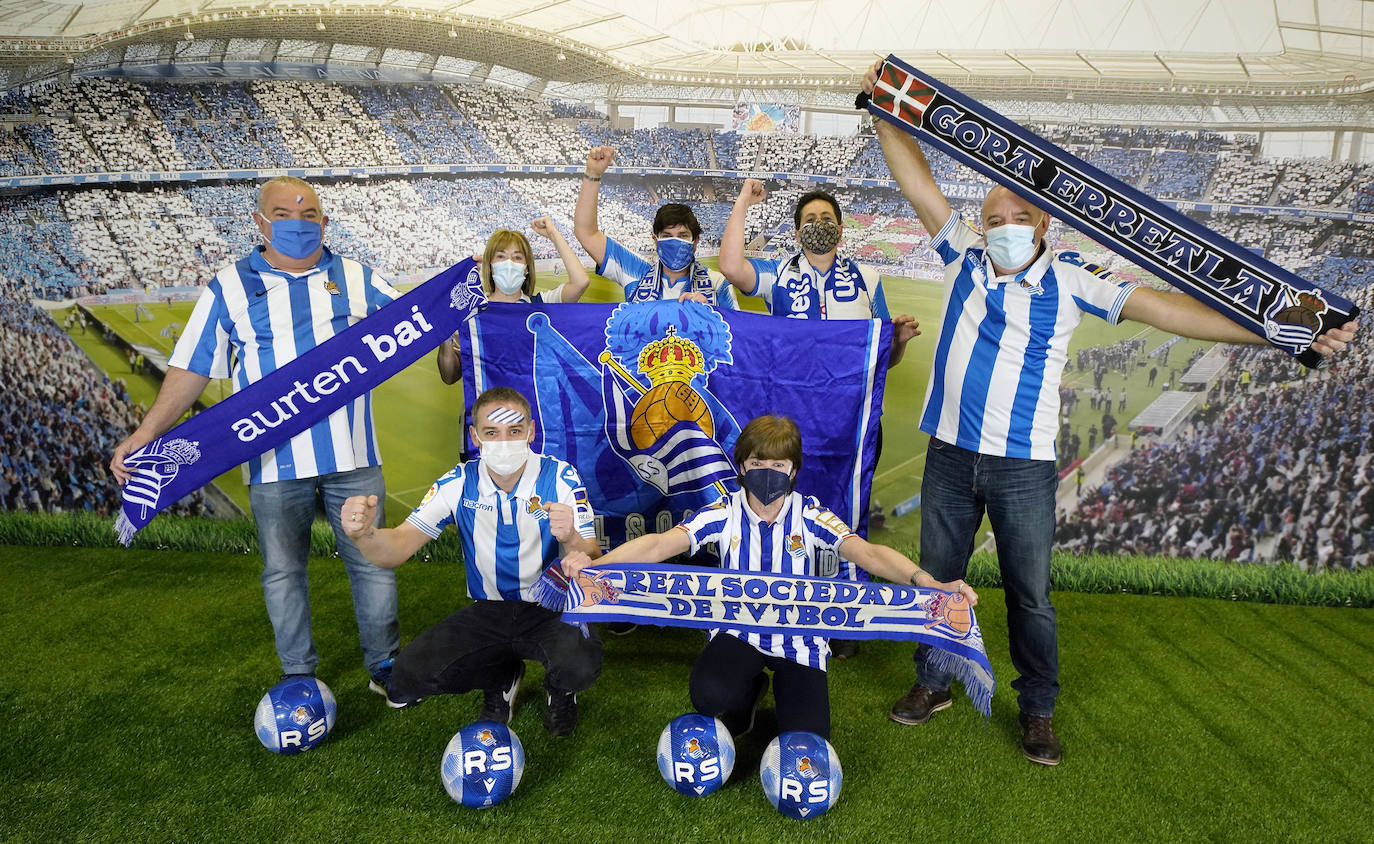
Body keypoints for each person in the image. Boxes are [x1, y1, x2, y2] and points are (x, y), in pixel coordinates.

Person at [864, 61, 1358, 766]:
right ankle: (934, 682)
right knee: (938, 580)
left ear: (1044, 223)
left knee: (1031, 598)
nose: (1003, 228)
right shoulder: (964, 259)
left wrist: (1277, 330)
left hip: (1023, 466)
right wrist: (884, 107)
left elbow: (1173, 313)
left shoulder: (1074, 281)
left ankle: (1037, 710)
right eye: (993, 219)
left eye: (1018, 219)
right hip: (948, 455)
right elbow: (915, 180)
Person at [110, 176, 403, 693]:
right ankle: (298, 676)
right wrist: (146, 431)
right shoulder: (229, 286)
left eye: (308, 213)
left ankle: (387, 667)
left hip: (354, 454)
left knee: (372, 566)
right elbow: (192, 368)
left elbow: (416, 320)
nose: (297, 222)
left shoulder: (357, 277)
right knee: (283, 573)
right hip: (271, 460)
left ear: (325, 221)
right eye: (283, 213)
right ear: (259, 222)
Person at [561, 414, 977, 740]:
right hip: (739, 630)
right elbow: (657, 545)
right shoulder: (724, 510)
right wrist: (596, 566)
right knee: (708, 695)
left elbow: (867, 553)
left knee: (809, 733)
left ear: (793, 470)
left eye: (778, 464)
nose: (767, 471)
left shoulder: (810, 513)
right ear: (742, 464)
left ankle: (778, 698)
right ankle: (748, 693)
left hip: (799, 639)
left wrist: (929, 583)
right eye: (757, 463)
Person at [340, 387, 603, 736]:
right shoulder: (458, 482)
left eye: (515, 431)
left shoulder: (561, 477)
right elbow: (398, 548)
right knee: (408, 674)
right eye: (492, 433)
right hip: (488, 610)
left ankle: (560, 691)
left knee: (581, 665)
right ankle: (501, 676)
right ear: (475, 435)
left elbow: (592, 557)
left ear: (532, 431)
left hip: (550, 608)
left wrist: (570, 537)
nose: (504, 442)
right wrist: (364, 536)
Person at [718, 179, 919, 365]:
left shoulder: (867, 278)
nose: (819, 225)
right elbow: (731, 267)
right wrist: (743, 201)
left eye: (826, 218)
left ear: (840, 230)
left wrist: (899, 342)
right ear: (797, 234)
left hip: (848, 400)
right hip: (793, 398)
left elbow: (884, 358)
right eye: (810, 220)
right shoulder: (777, 274)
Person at [574, 145, 738, 308]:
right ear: (655, 240)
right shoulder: (637, 270)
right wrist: (593, 175)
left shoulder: (717, 284)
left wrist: (711, 313)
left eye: (682, 236)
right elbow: (587, 234)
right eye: (667, 236)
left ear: (695, 241)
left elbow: (736, 330)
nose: (675, 242)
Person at [437, 218, 590, 385]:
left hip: (529, 407)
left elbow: (580, 282)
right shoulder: (471, 313)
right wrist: (446, 335)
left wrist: (553, 234)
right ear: (490, 265)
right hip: (484, 408)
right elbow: (450, 376)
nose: (509, 263)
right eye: (501, 256)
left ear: (526, 267)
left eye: (517, 257)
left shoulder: (540, 306)